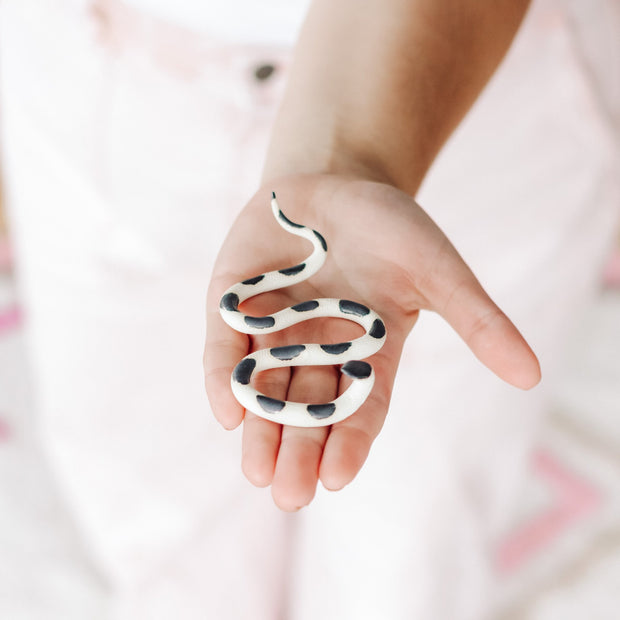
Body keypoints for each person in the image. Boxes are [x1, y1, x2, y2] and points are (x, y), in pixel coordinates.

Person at [0, 0, 618, 618]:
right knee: (154, 522)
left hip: (474, 90)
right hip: (90, 68)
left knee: (408, 554)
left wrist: (346, 158)